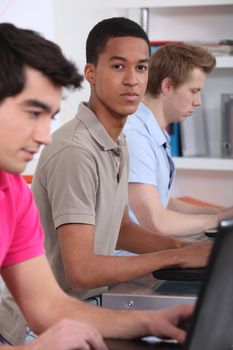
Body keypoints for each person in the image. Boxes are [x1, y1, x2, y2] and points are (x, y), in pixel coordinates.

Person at [0, 18, 210, 347]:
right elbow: (80, 271)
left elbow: (49, 304)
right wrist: (177, 256)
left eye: (141, 68)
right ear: (92, 73)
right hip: (29, 332)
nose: (43, 137)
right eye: (32, 112)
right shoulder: (72, 150)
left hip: (72, 312)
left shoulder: (13, 191)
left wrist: (153, 319)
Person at [123, 42, 233, 240]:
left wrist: (218, 214)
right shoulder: (135, 137)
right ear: (167, 86)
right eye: (193, 91)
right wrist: (217, 220)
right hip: (134, 262)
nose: (198, 101)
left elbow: (163, 202)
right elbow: (157, 221)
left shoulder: (154, 132)